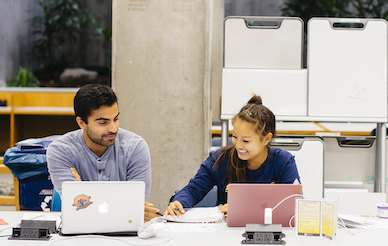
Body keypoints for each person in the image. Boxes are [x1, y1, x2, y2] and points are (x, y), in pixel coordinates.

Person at [165, 95, 300, 216]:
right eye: (234, 137)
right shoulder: (219, 159)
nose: (238, 145)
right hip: (226, 232)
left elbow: (293, 203)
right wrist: (179, 202)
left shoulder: (283, 162)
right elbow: (193, 190)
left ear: (266, 139)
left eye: (246, 141)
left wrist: (247, 208)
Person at [47, 84, 160, 221]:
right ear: (81, 122)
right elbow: (76, 209)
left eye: (116, 119)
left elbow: (137, 209)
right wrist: (124, 207)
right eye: (103, 122)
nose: (113, 128)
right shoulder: (60, 151)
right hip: (81, 234)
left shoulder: (135, 147)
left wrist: (84, 192)